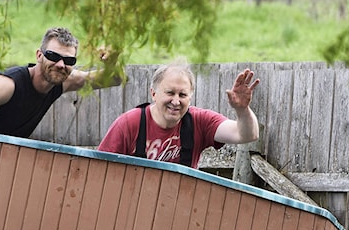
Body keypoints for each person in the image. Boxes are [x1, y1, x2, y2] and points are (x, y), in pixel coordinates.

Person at [0, 27, 120, 137]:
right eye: (53, 56)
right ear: (39, 55)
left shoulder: (62, 81)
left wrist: (112, 62)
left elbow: (114, 79)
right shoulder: (7, 85)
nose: (60, 65)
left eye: (69, 61)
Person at [98, 60, 259, 168]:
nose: (175, 101)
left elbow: (246, 135)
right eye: (170, 93)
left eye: (182, 95)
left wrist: (242, 110)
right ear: (153, 93)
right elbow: (100, 169)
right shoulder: (129, 123)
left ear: (190, 98)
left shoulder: (200, 121)